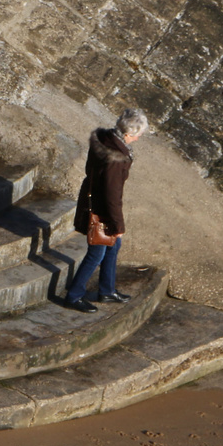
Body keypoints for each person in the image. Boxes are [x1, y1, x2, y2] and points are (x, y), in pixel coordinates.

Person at [60, 108, 148, 312]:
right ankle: (74, 295)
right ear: (129, 134)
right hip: (101, 208)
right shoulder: (117, 159)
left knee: (113, 246)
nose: (140, 136)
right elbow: (112, 195)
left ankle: (107, 290)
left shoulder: (105, 137)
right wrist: (117, 224)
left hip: (93, 198)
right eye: (139, 133)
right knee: (96, 252)